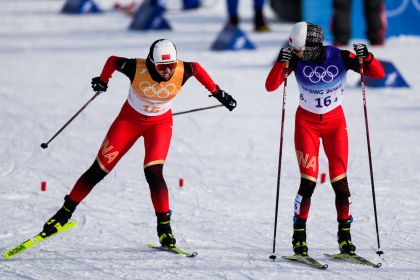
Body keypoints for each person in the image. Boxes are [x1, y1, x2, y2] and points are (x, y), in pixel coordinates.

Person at [41, 39, 237, 248]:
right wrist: (103, 80)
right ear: (152, 63)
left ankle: (164, 229)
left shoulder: (184, 69)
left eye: (171, 65)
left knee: (154, 173)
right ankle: (65, 212)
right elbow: (113, 61)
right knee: (98, 170)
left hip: (159, 124)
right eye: (162, 66)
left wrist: (219, 93)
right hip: (129, 121)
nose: (167, 71)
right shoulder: (136, 67)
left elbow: (197, 69)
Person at [265, 22, 385, 256]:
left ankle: (345, 239)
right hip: (306, 125)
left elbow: (378, 74)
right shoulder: (296, 60)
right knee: (308, 183)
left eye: (298, 49)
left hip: (335, 125)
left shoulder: (340, 57)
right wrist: (281, 61)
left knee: (340, 184)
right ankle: (299, 238)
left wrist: (367, 58)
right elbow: (271, 86)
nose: (296, 53)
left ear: (310, 46)